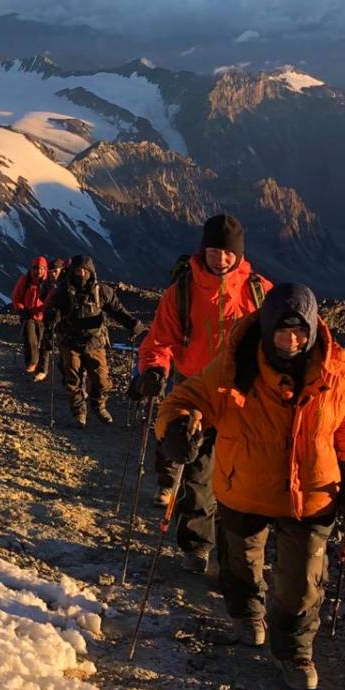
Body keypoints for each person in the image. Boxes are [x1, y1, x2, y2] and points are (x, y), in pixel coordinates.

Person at [155, 283, 345, 690]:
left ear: (311, 329)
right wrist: (175, 428)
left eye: (300, 333)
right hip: (246, 486)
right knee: (240, 560)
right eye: (282, 331)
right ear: (269, 327)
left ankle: (293, 651)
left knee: (303, 579)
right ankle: (246, 614)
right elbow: (189, 397)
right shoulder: (236, 362)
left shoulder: (337, 368)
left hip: (312, 494)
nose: (292, 341)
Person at [129, 214, 273, 573]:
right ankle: (197, 545)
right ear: (203, 250)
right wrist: (155, 368)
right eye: (214, 251)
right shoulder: (182, 292)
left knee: (240, 475)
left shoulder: (259, 291)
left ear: (238, 254)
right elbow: (159, 339)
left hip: (243, 396)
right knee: (197, 471)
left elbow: (280, 339)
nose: (220, 259)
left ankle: (235, 550)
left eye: (227, 253)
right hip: (196, 393)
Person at [45, 255, 145, 427]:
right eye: (78, 270)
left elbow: (117, 310)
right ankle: (79, 412)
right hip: (70, 341)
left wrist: (133, 325)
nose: (81, 273)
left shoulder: (101, 291)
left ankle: (98, 405)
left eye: (84, 270)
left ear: (91, 272)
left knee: (102, 381)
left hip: (94, 342)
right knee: (72, 379)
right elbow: (50, 312)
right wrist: (51, 319)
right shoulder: (63, 292)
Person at [11, 256, 55, 381]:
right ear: (32, 268)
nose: (38, 271)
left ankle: (40, 368)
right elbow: (16, 297)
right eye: (36, 268)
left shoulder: (49, 283)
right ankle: (32, 363)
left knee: (41, 341)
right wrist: (21, 310)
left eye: (41, 268)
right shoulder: (25, 281)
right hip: (28, 315)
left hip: (43, 317)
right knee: (30, 339)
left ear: (45, 269)